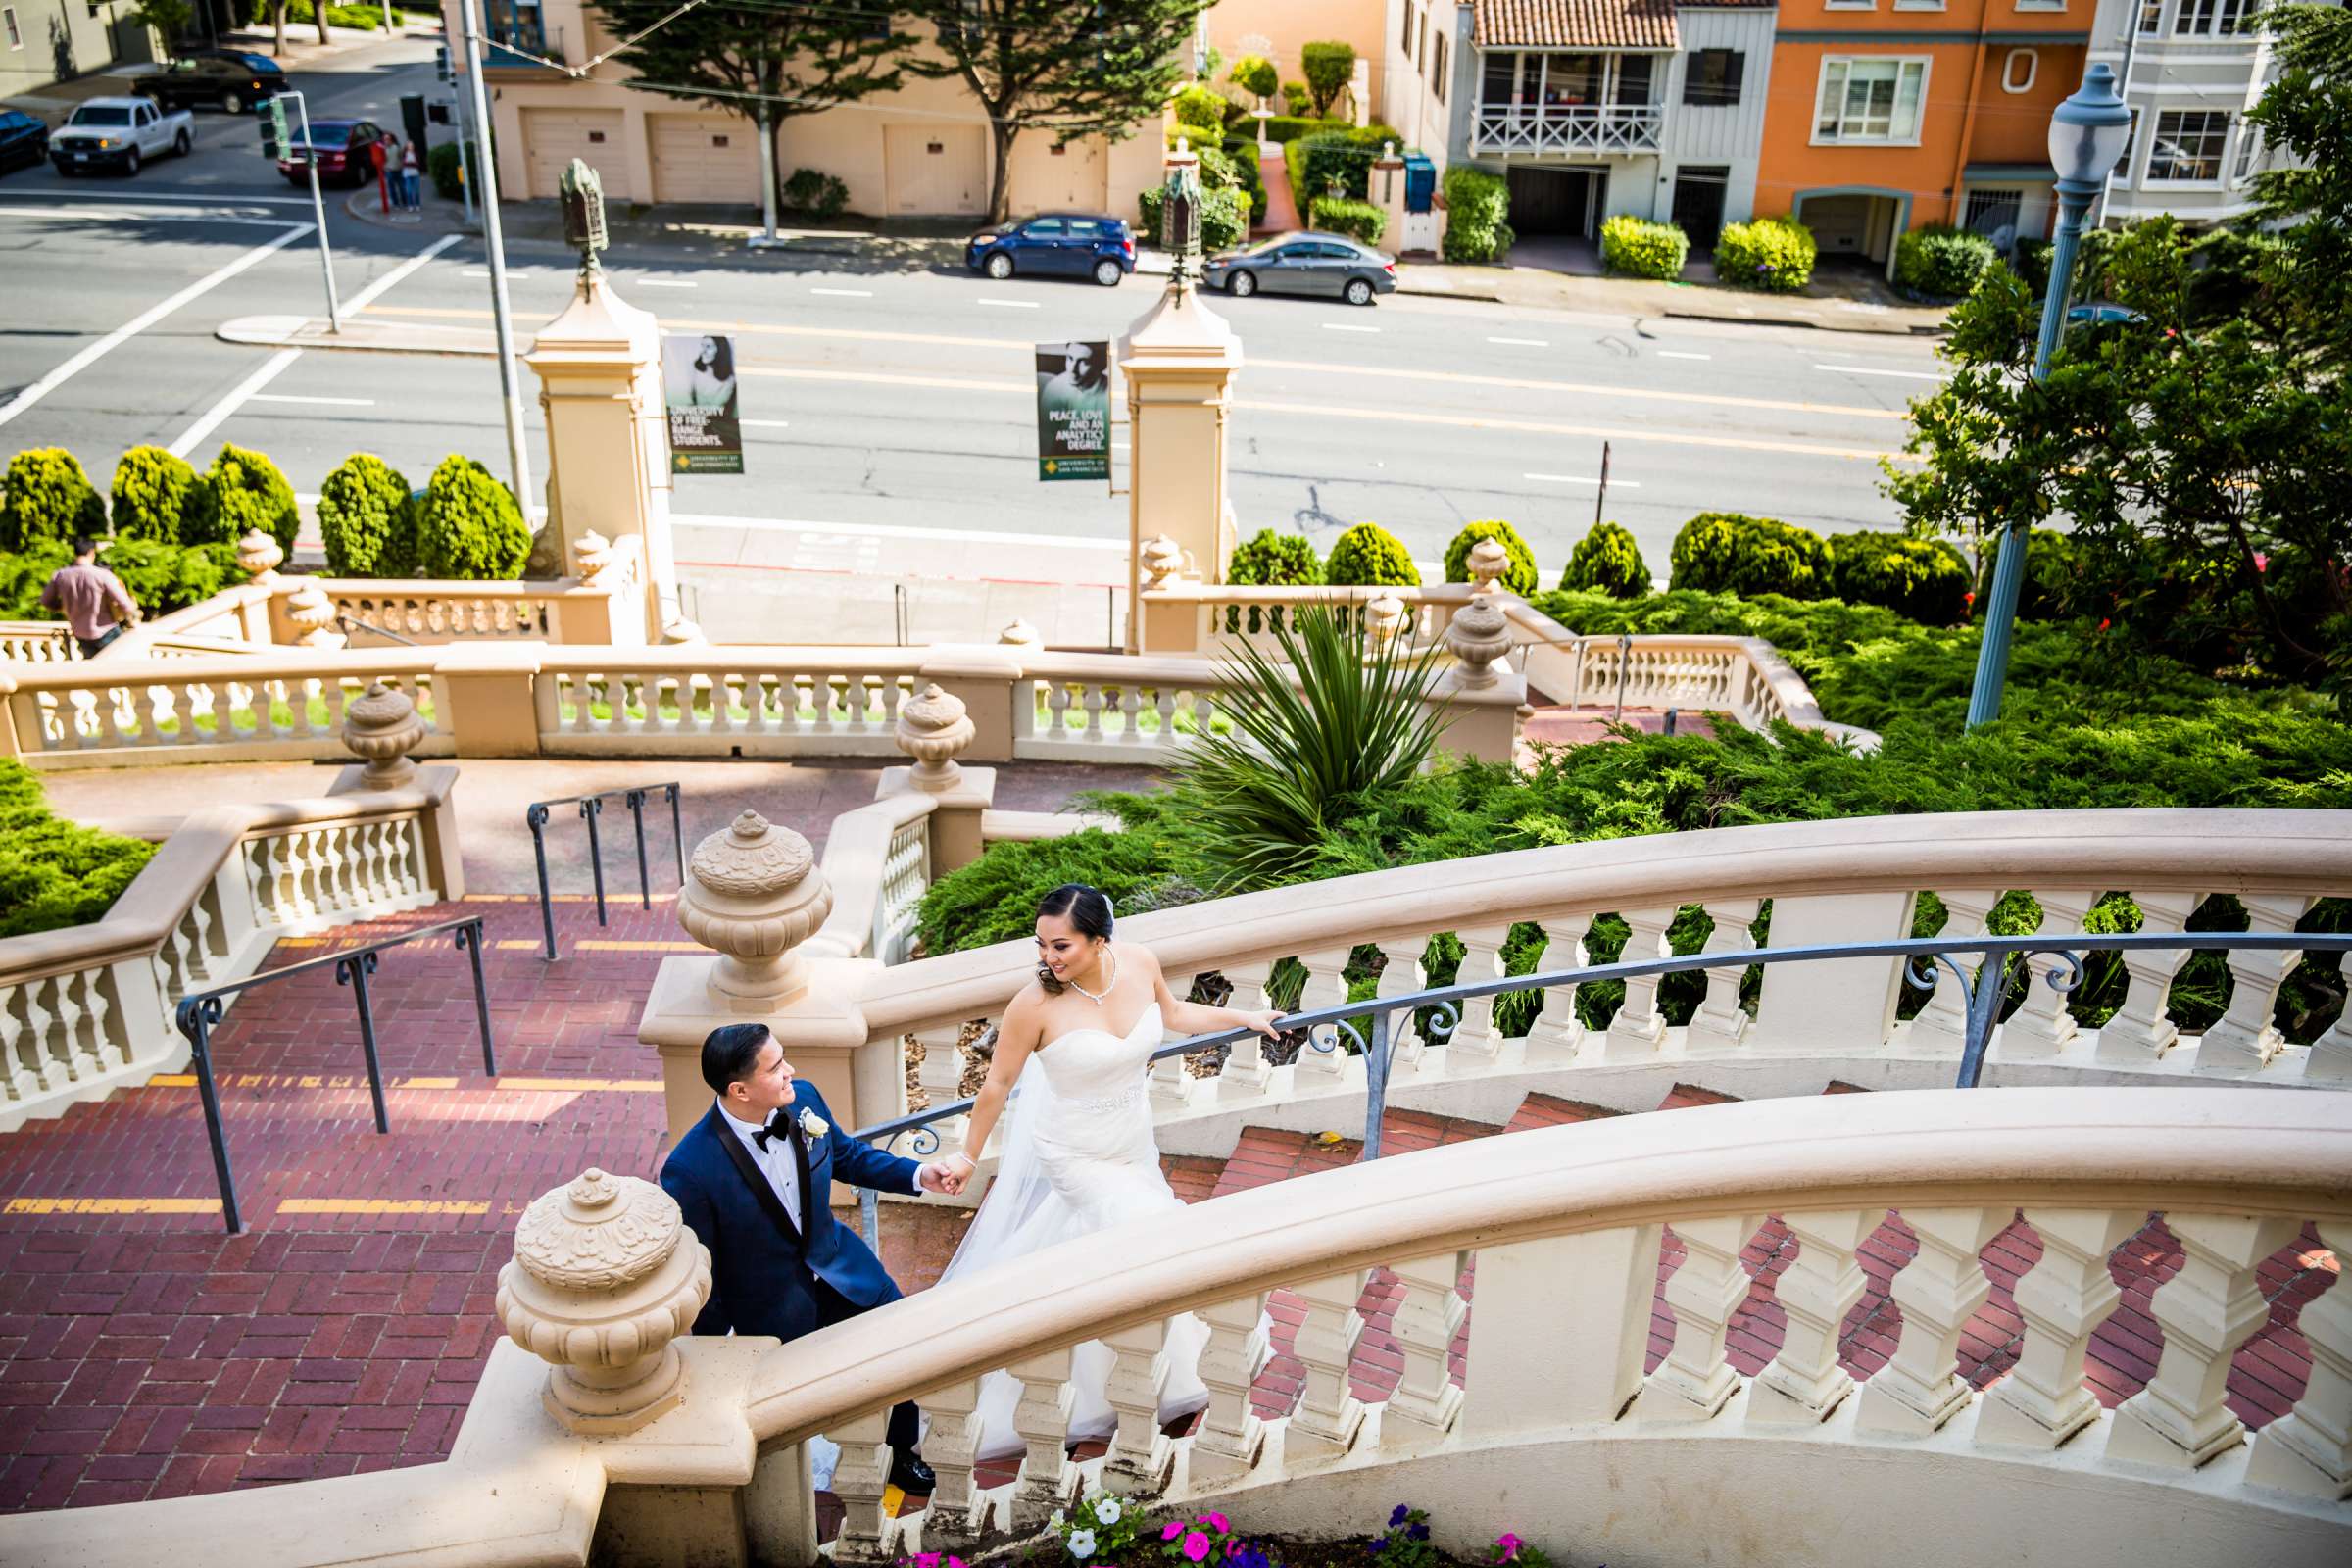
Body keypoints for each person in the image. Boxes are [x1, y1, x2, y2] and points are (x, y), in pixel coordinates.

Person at [935, 883, 1284, 1458]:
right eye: (1042, 945)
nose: (1049, 958)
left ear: (1101, 941)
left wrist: (1243, 1015)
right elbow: (997, 1084)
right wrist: (969, 1156)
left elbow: (1172, 1015)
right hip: (1074, 1151)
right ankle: (1136, 1375)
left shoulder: (1140, 962)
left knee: (1100, 1247)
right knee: (1148, 1235)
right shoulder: (1034, 1005)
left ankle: (1109, 1373)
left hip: (1130, 1138)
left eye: (1062, 946)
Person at [661, 1023, 962, 1496]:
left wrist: (921, 1173)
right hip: (771, 1306)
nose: (791, 1071)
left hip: (842, 1266)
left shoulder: (804, 1101)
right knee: (799, 1408)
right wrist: (713, 1354)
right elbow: (706, 1271)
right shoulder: (690, 1169)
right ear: (739, 1090)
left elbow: (847, 1157)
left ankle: (902, 1450)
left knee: (900, 1344)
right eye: (777, 1066)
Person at [41, 537, 139, 659]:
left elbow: (45, 600)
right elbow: (126, 605)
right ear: (92, 553)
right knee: (119, 671)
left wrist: (64, 607)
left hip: (80, 633)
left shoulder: (60, 575)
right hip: (107, 631)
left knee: (95, 673)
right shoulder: (102, 575)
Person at [399, 138, 421, 211]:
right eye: (409, 146)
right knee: (409, 191)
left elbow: (417, 164)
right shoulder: (404, 154)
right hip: (407, 174)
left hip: (415, 174)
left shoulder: (416, 153)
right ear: (406, 146)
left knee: (416, 191)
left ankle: (417, 204)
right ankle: (410, 205)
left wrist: (410, 163)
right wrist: (411, 163)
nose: (411, 147)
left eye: (412, 146)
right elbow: (403, 164)